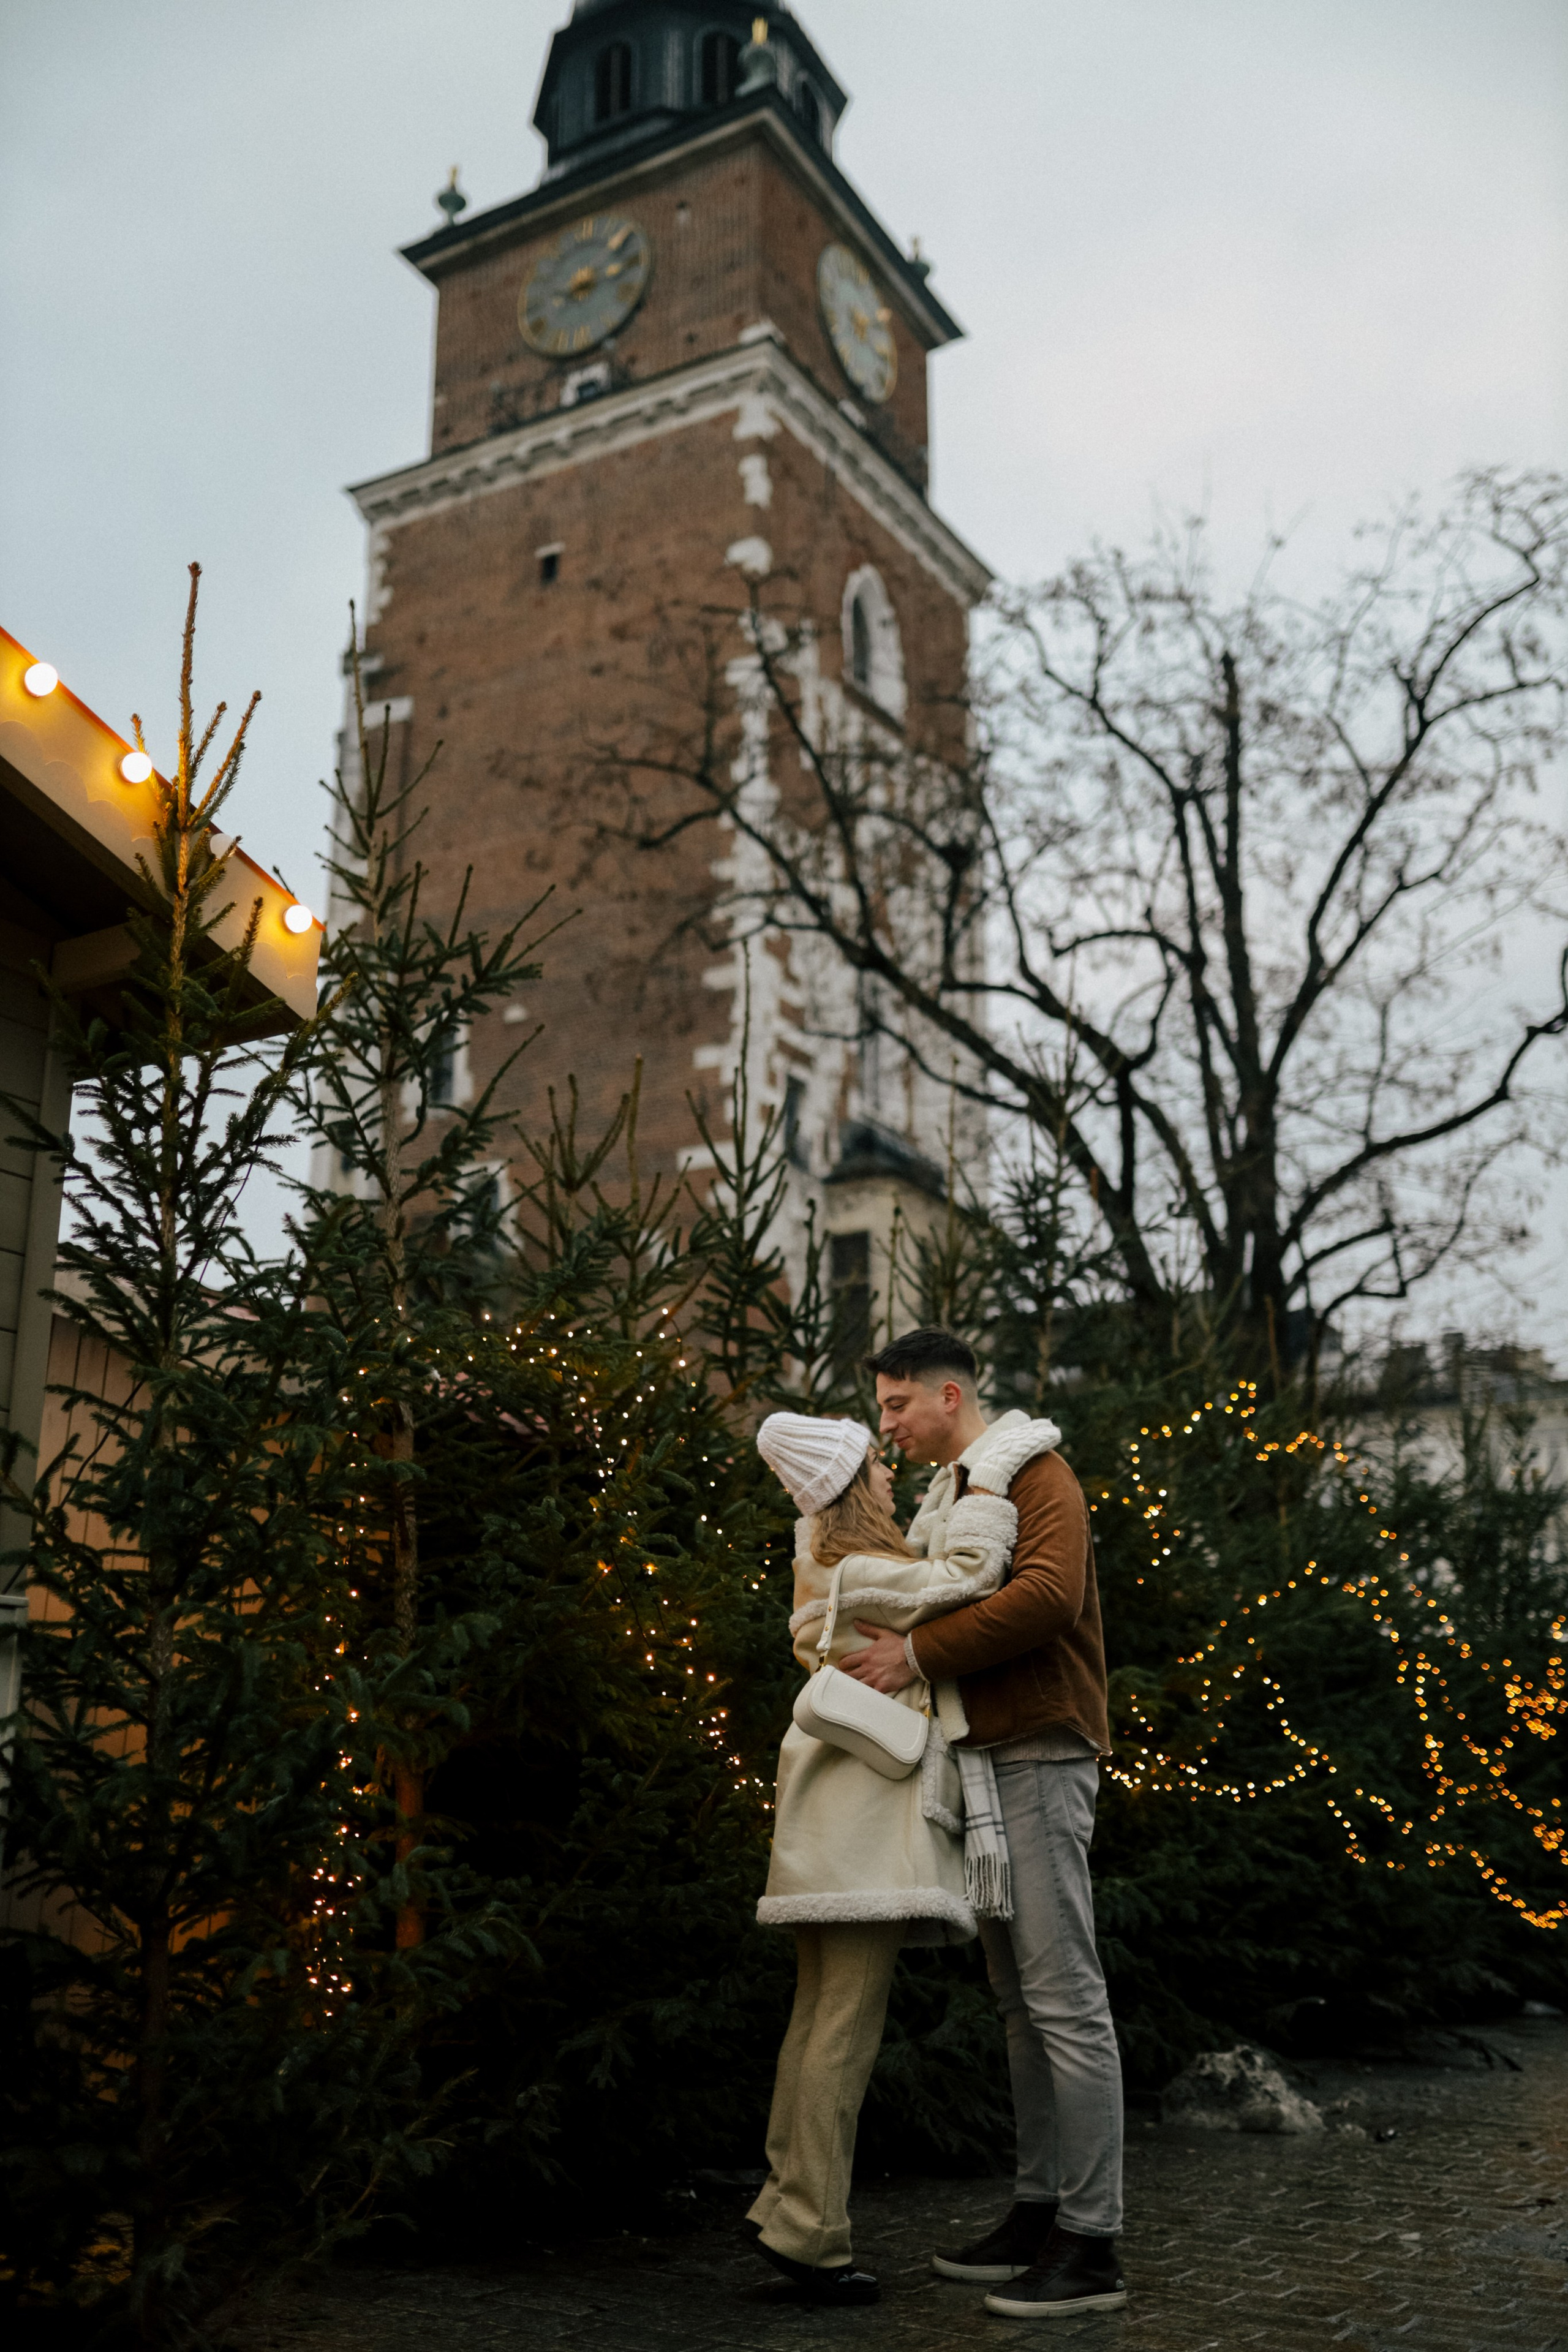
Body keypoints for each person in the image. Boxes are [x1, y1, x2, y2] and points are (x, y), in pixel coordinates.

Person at [841, 1327, 1127, 2322]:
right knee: (1021, 2004)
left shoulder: (1033, 1472)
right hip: (989, 1760)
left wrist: (915, 1658)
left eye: (895, 1405)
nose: (888, 1424)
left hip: (1040, 1746)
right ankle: (1039, 2214)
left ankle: (1092, 2247)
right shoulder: (955, 1492)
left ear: (950, 1396)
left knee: (1065, 2000)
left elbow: (1048, 1597)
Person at [746, 1408, 1051, 2307]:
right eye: (875, 1466)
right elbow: (973, 1576)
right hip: (861, 1839)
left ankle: (783, 2206)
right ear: (847, 1487)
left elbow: (920, 1574)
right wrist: (992, 1484)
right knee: (843, 2033)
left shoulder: (831, 1567)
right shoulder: (867, 1575)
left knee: (815, 2027)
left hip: (827, 1834)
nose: (889, 1474)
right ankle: (811, 2238)